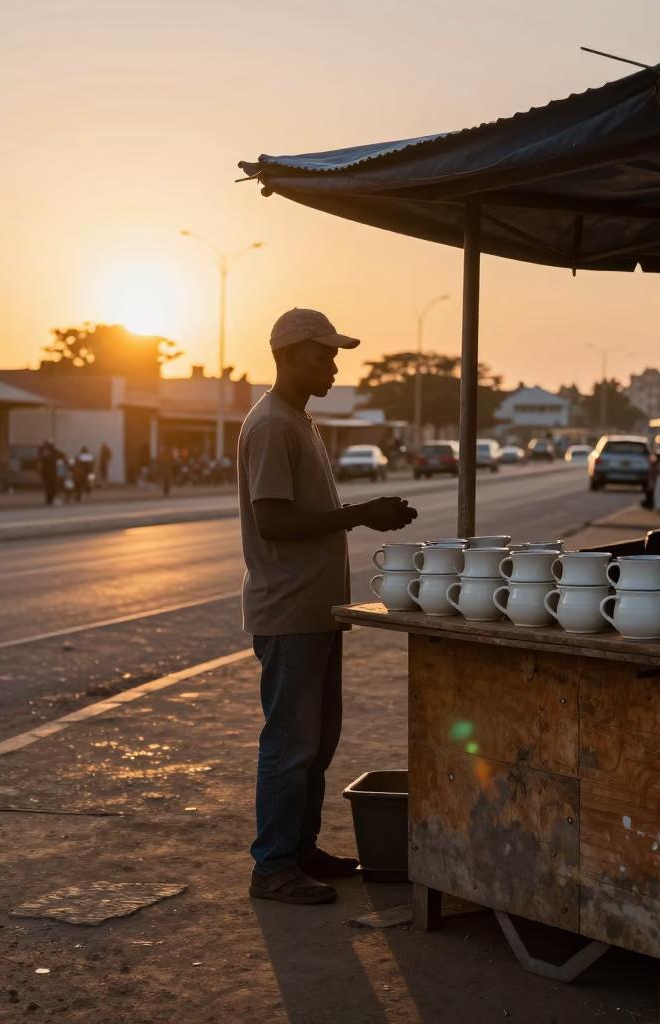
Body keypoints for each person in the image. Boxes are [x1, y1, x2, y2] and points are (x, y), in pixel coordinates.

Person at [239, 308, 418, 906]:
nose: (333, 366)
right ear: (288, 357)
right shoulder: (271, 425)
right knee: (290, 745)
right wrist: (362, 514)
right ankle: (272, 866)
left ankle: (300, 849)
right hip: (289, 614)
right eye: (322, 355)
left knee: (318, 742)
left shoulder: (300, 421)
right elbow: (273, 519)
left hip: (318, 612)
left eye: (334, 355)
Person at [37, 439, 61, 506]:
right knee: (51, 485)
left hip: (46, 471)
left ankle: (49, 499)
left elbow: (60, 455)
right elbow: (59, 455)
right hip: (51, 471)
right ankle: (50, 499)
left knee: (48, 486)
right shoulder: (50, 451)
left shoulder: (42, 451)